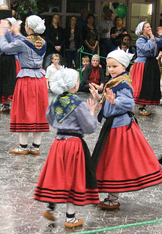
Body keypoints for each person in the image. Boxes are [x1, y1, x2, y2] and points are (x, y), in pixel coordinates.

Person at [89, 50, 162, 209]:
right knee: (111, 160)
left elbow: (129, 103)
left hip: (119, 127)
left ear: (124, 65)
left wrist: (115, 102)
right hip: (113, 126)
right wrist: (99, 97)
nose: (111, 69)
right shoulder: (116, 81)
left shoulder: (123, 83)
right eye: (109, 66)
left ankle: (113, 198)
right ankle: (111, 196)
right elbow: (109, 100)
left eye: (114, 66)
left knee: (115, 161)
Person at [34, 68, 99, 229]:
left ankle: (50, 207)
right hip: (74, 144)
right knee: (72, 178)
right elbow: (90, 128)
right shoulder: (79, 104)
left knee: (57, 174)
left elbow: (49, 117)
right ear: (75, 85)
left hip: (58, 143)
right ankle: (70, 219)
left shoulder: (55, 101)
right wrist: (91, 113)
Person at [0, 15, 49, 155]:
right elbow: (24, 40)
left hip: (26, 79)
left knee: (24, 109)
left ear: (29, 27)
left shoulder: (23, 43)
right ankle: (36, 147)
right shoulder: (43, 42)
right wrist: (17, 32)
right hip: (39, 79)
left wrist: (2, 33)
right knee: (38, 111)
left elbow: (4, 47)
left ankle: (23, 146)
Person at [131, 22, 162, 116]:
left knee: (147, 85)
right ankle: (137, 106)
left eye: (150, 26)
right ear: (142, 30)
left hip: (150, 64)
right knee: (141, 85)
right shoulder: (140, 40)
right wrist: (152, 38)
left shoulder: (151, 38)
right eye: (147, 27)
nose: (150, 28)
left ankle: (142, 105)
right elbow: (146, 49)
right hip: (142, 65)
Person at [0, 17, 20, 113]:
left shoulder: (16, 36)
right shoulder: (2, 35)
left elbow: (12, 44)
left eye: (8, 25)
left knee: (12, 83)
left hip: (13, 60)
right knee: (2, 82)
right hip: (3, 59)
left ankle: (13, 104)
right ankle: (5, 104)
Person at [97, 7, 114, 72]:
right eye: (107, 13)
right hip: (103, 40)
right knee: (103, 58)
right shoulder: (100, 22)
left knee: (111, 57)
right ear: (105, 13)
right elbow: (96, 31)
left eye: (110, 13)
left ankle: (111, 74)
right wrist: (102, 31)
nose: (108, 14)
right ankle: (103, 73)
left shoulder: (113, 22)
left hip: (111, 41)